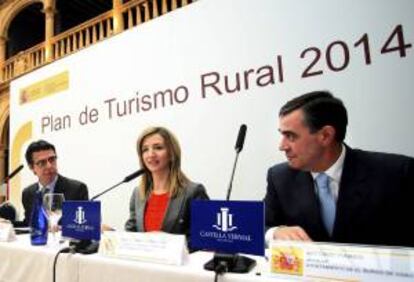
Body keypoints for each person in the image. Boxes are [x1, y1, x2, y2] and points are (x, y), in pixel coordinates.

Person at [264, 90, 414, 247]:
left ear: (326, 135)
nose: (282, 146)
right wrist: (275, 232)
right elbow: (257, 227)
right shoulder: (280, 177)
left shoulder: (397, 174)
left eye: (291, 136)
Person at [125, 126, 209, 240]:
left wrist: (168, 241)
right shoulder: (138, 193)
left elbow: (203, 239)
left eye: (158, 148)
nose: (150, 154)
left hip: (178, 258)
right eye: (145, 149)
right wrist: (111, 234)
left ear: (172, 154)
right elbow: (131, 235)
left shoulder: (193, 192)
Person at [21, 140, 89, 226]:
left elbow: (83, 225)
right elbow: (29, 223)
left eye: (52, 159)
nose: (49, 166)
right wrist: (8, 223)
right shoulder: (28, 193)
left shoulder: (77, 189)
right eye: (42, 162)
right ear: (32, 168)